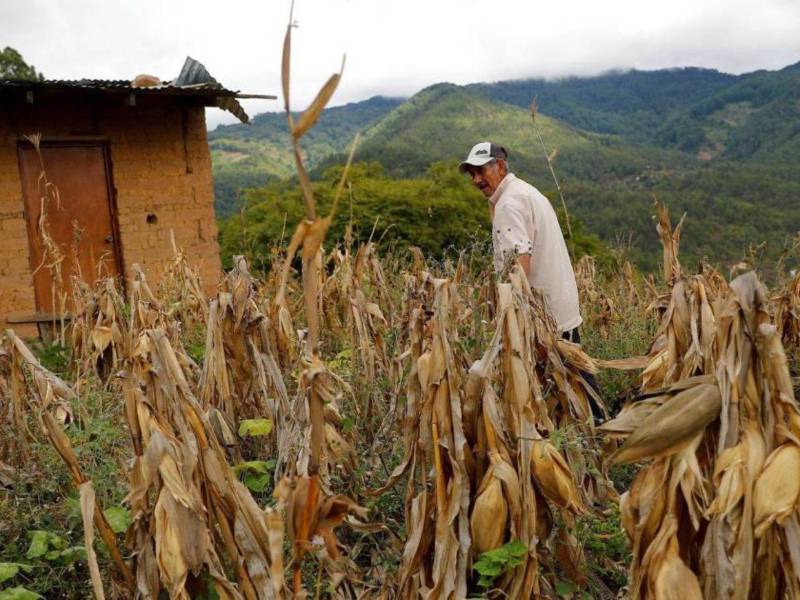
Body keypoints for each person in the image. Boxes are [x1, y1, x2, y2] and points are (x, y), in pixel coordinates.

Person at [458, 141, 583, 341]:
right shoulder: (527, 192)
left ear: (499, 166)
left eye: (480, 171)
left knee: (555, 372)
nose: (476, 180)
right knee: (574, 372)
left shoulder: (509, 204)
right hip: (562, 311)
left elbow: (518, 266)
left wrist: (510, 320)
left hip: (543, 320)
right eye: (472, 174)